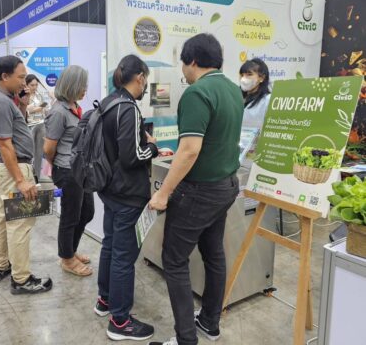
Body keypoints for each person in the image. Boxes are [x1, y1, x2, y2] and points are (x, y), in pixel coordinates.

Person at [148, 34, 243, 345]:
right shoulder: (233, 89)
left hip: (199, 191)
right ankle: (210, 323)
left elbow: (189, 150)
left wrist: (163, 193)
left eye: (183, 63)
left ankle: (186, 339)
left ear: (192, 61)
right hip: (226, 186)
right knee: (213, 253)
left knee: (174, 259)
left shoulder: (197, 93)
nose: (183, 70)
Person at [94, 55, 158, 341]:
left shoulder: (109, 102)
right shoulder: (128, 108)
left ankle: (105, 300)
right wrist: (153, 148)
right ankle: (119, 321)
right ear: (140, 78)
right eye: (146, 80)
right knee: (123, 257)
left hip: (109, 189)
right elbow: (132, 157)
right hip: (128, 194)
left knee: (110, 246)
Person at [0, 55, 52, 294]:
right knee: (19, 223)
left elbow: (14, 130)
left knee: (3, 217)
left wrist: (22, 104)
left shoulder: (2, 99)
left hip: (8, 168)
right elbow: (4, 144)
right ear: (5, 76)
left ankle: (0, 265)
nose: (24, 83)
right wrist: (21, 180)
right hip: (15, 168)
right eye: (21, 77)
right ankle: (21, 279)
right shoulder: (1, 103)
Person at [43, 65, 95, 277]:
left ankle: (70, 251)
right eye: (82, 86)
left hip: (80, 169)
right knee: (70, 216)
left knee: (87, 212)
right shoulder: (58, 112)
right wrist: (59, 166)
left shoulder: (74, 107)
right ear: (71, 85)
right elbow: (48, 149)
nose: (85, 90)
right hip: (67, 170)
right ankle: (66, 258)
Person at [26, 74, 48, 178]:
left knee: (39, 153)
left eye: (36, 85)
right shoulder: (22, 94)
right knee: (29, 152)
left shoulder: (39, 95)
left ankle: (37, 177)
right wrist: (36, 109)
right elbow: (25, 110)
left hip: (41, 124)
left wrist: (39, 108)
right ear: (26, 84)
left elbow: (44, 107)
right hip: (28, 126)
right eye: (32, 85)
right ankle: (28, 177)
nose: (34, 87)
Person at [239, 58, 271, 129]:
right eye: (242, 75)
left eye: (249, 74)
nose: (243, 79)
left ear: (261, 78)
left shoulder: (267, 100)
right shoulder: (237, 97)